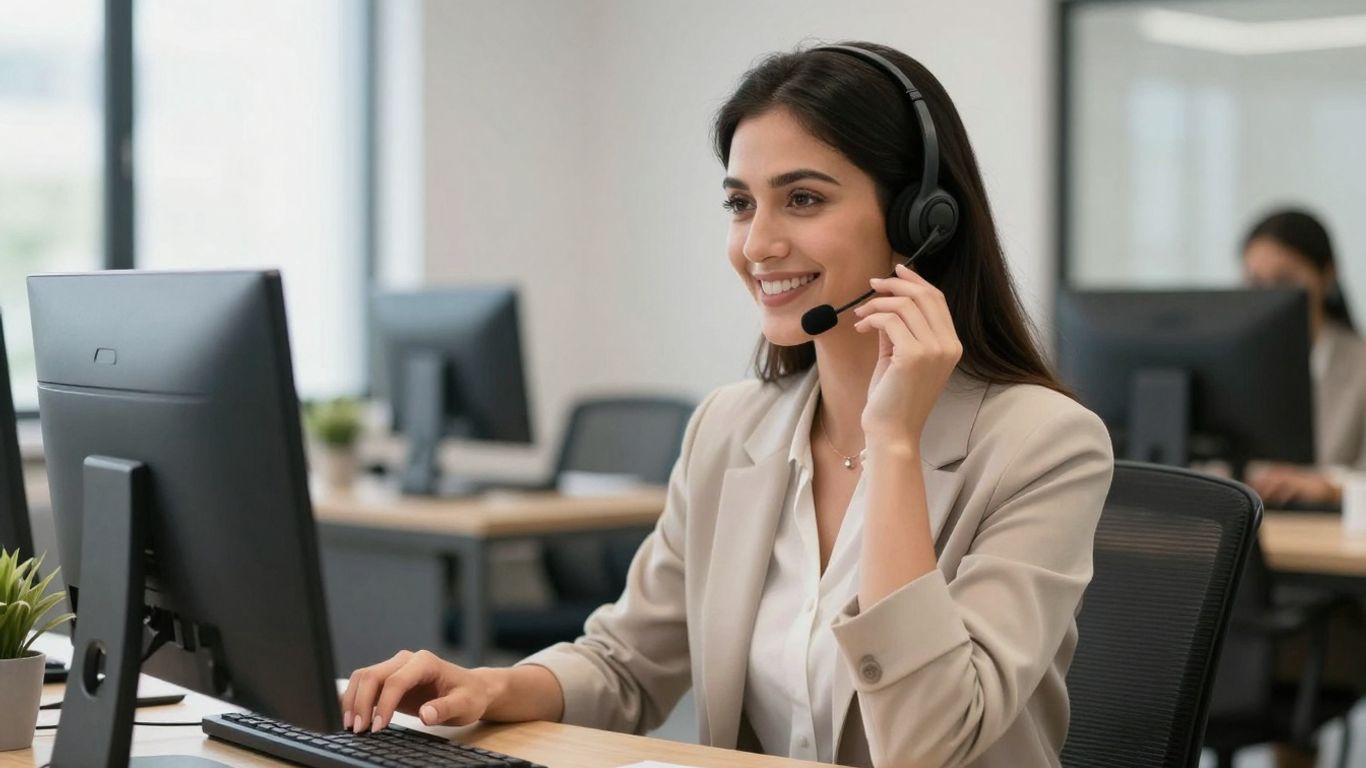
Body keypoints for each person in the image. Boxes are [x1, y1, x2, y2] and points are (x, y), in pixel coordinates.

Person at [340, 41, 1114, 768]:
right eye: (742, 204)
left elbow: (929, 742)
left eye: (803, 199)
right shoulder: (732, 427)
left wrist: (897, 445)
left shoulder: (1044, 445)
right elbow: (629, 661)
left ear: (922, 220)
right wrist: (492, 687)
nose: (757, 244)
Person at [1242, 208, 1366, 506]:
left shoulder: (1361, 366)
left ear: (1327, 276)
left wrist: (1330, 488)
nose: (1270, 297)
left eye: (1285, 281)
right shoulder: (1240, 367)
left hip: (1328, 540)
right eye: (1257, 283)